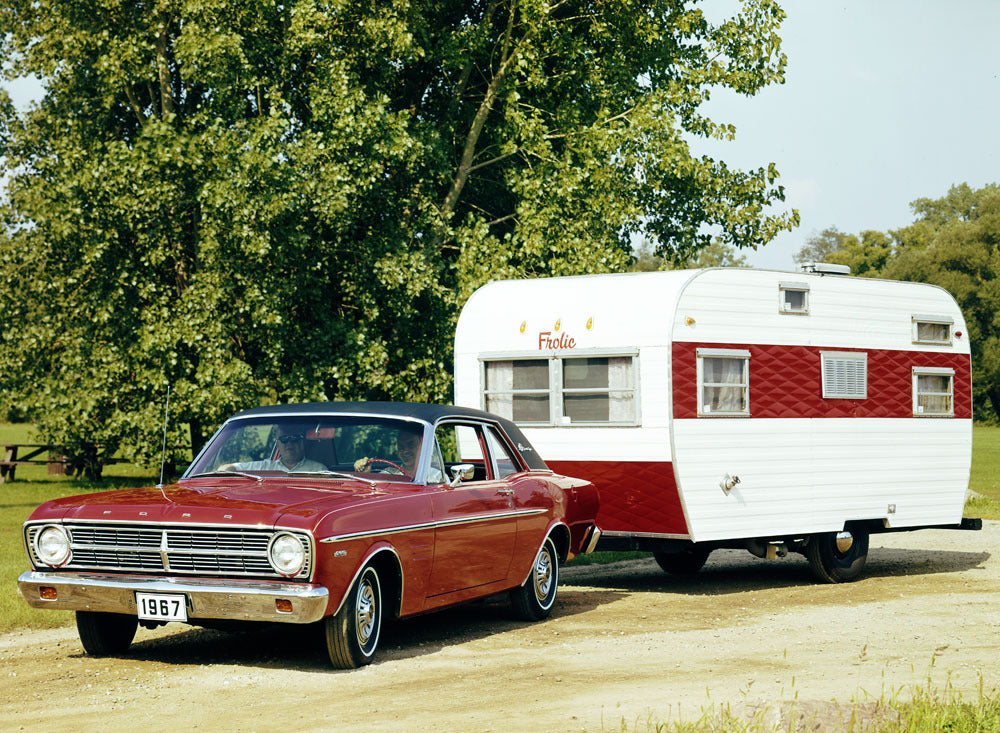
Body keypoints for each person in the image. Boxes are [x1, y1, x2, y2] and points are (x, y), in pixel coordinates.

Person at [218, 426, 327, 473]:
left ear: (302, 442)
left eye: (294, 439)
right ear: (278, 444)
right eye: (284, 439)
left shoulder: (318, 470)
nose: (289, 443)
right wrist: (224, 471)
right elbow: (229, 468)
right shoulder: (265, 467)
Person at [353, 430, 443, 482]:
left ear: (421, 446)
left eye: (411, 445)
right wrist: (364, 474)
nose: (405, 451)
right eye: (401, 447)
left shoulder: (436, 475)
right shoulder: (389, 473)